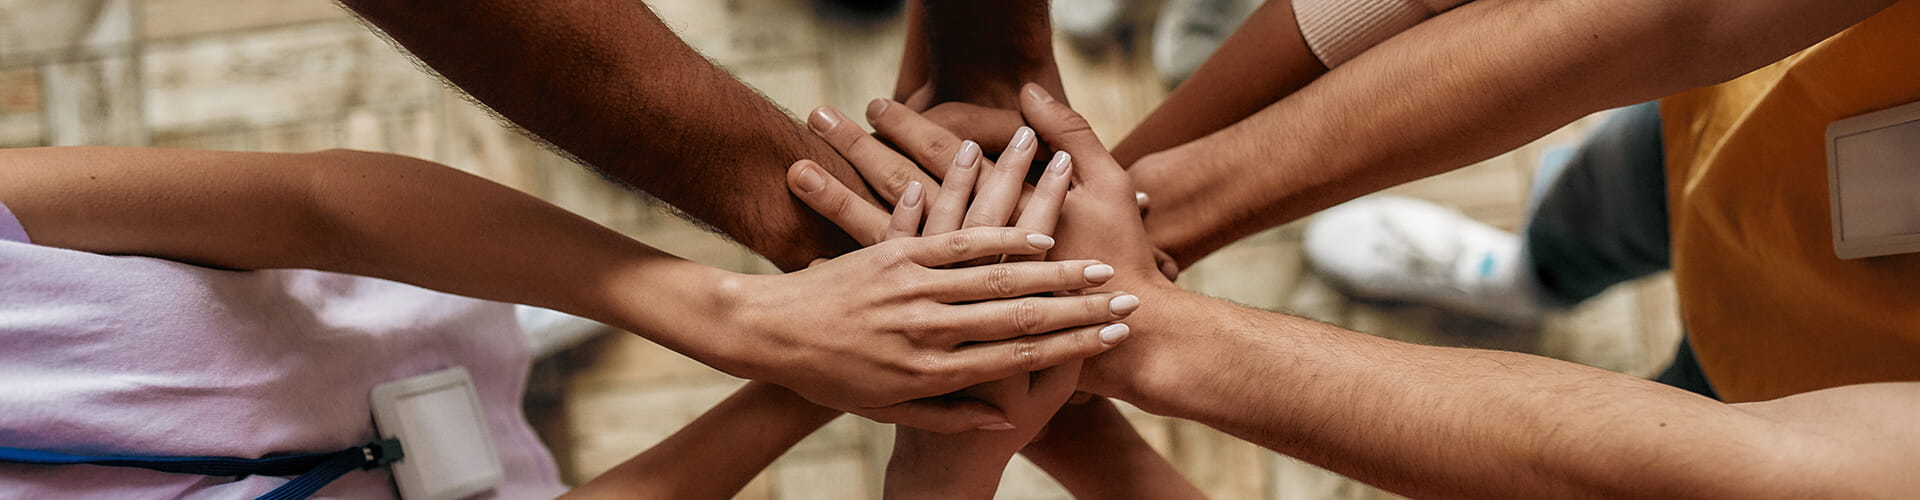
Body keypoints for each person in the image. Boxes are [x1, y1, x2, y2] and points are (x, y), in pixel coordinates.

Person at [806, 80, 1920, 498]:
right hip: (1763, 130)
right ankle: (1527, 275)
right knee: (1619, 193)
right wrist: (1156, 207)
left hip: (1837, 382)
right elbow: (1673, 26)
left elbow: (1751, 472)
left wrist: (1126, 326)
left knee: (1675, 436)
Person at [0, 145, 1133, 495]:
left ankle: (541, 308)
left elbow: (309, 207)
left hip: (369, 297)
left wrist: (740, 316)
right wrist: (844, 385)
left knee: (460, 309)